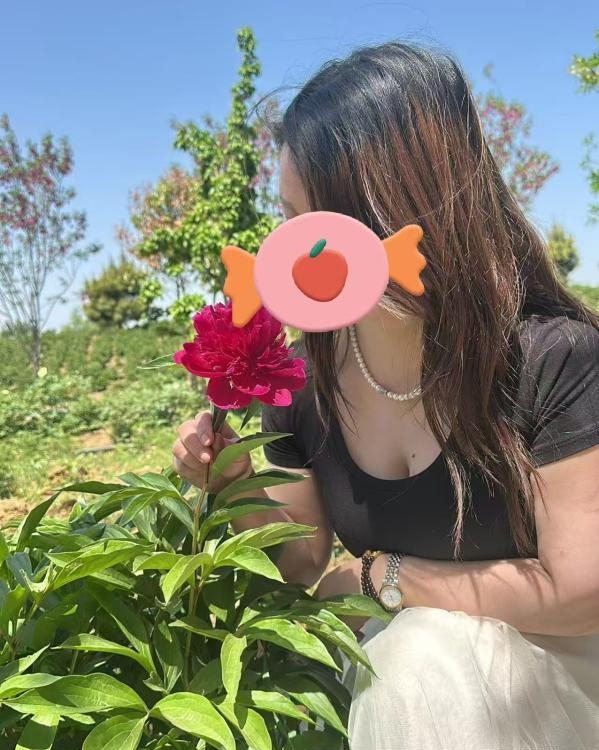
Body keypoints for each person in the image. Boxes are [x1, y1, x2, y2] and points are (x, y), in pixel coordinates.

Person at [172, 41, 599, 750]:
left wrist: (385, 578)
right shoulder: (301, 379)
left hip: (559, 683)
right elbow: (302, 563)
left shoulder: (548, 356)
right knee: (405, 663)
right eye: (286, 218)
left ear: (399, 208)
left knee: (414, 661)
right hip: (398, 694)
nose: (289, 249)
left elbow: (582, 592)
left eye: (314, 225)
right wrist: (235, 483)